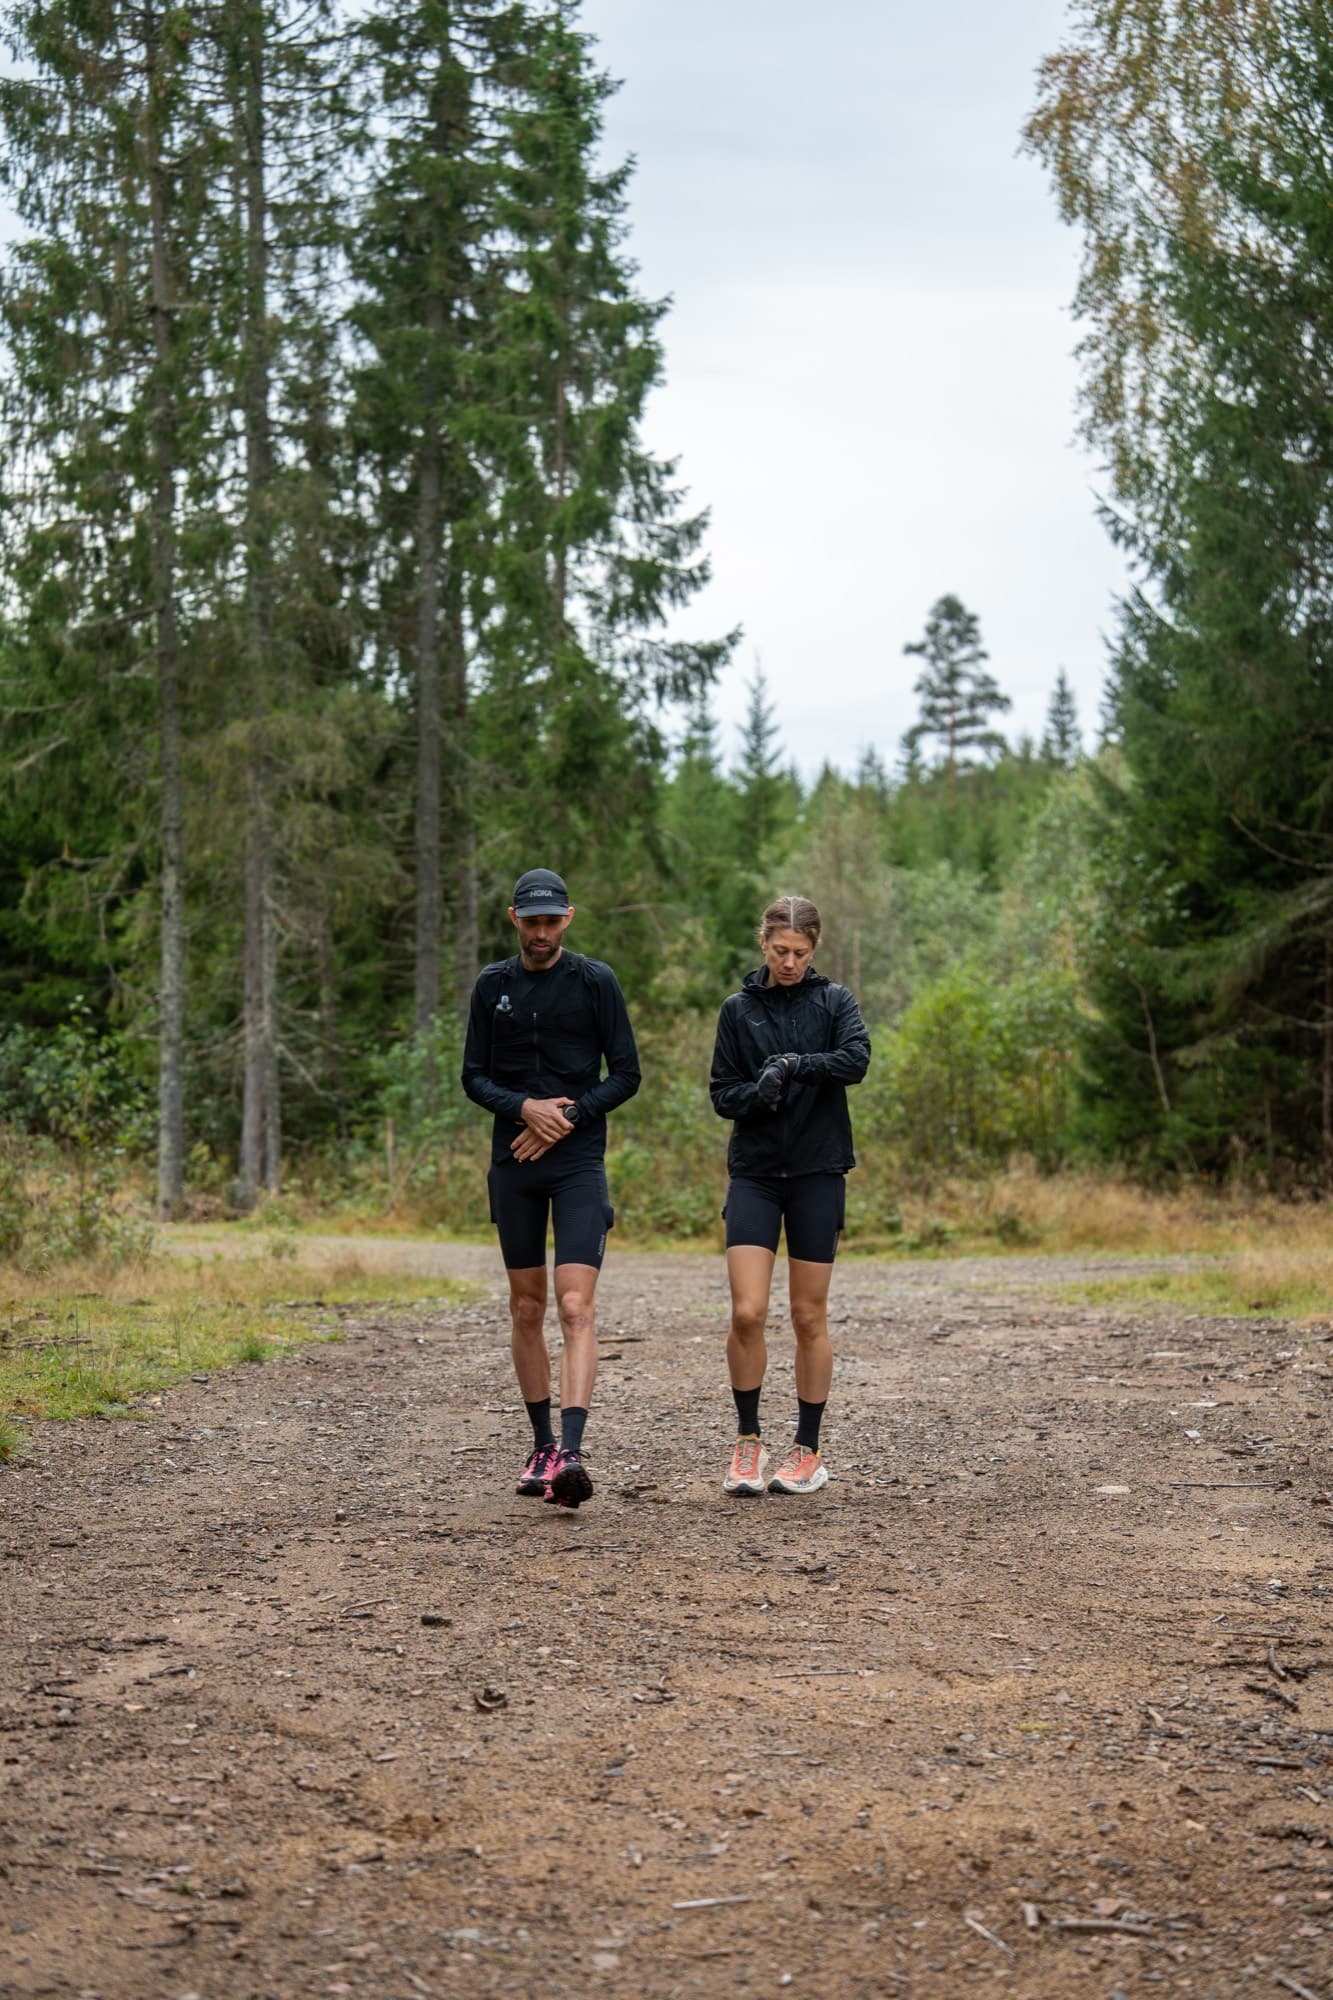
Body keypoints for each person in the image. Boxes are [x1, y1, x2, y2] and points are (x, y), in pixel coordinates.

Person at [462, 868, 640, 1509]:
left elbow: (626, 1074)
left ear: (568, 917)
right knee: (527, 1307)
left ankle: (571, 1450)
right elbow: (473, 1077)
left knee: (575, 1306)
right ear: (514, 918)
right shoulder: (493, 986)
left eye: (551, 921)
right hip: (514, 1160)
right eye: (530, 921)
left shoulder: (596, 982)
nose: (540, 932)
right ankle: (539, 1445)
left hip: (577, 1162)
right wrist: (523, 1108)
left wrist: (564, 1117)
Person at [709, 894, 871, 1496]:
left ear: (815, 949)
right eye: (780, 951)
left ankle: (807, 1449)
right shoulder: (738, 1010)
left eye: (801, 953)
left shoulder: (834, 1001)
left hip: (818, 1171)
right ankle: (748, 1441)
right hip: (754, 1171)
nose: (790, 963)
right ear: (764, 943)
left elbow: (856, 1060)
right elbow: (722, 1092)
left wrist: (796, 1064)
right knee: (747, 1311)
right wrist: (760, 1092)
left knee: (808, 1315)